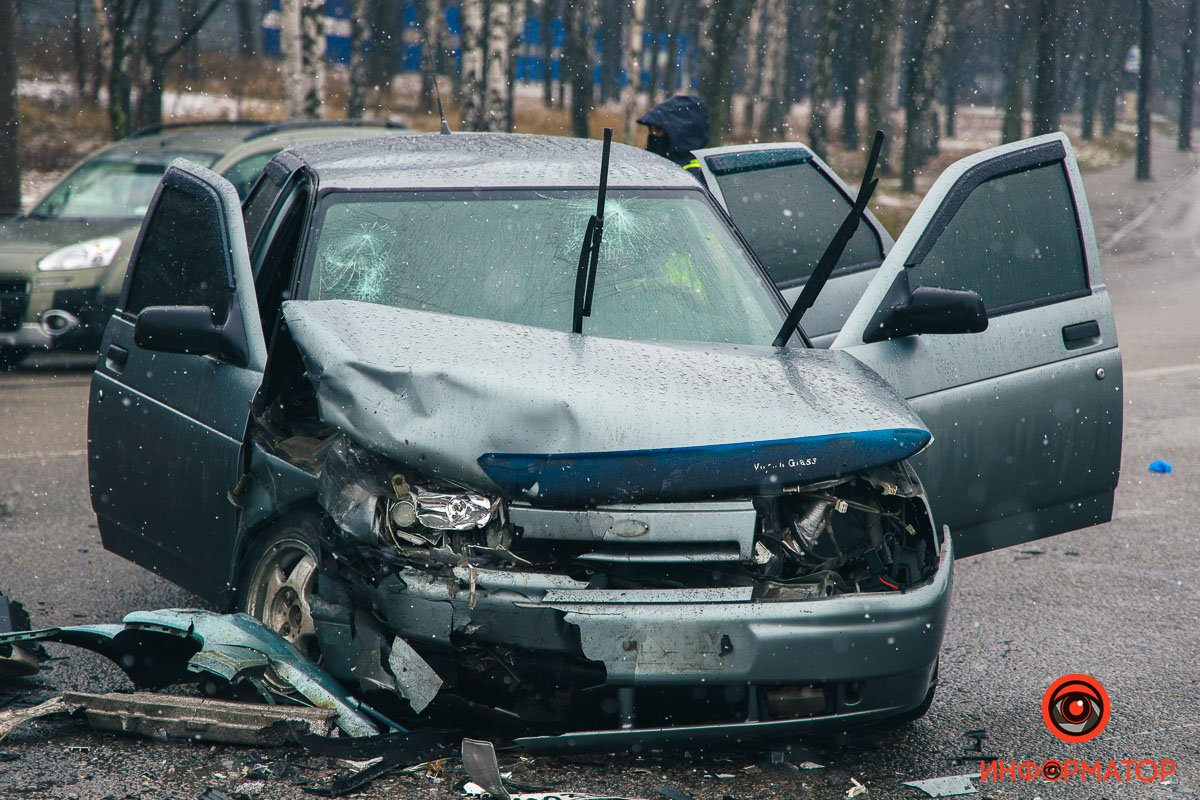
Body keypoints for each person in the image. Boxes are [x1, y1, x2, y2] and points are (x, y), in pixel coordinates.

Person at [637, 95, 709, 181]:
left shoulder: (693, 177)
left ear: (679, 133)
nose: (653, 133)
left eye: (658, 129)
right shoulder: (652, 165)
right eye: (650, 128)